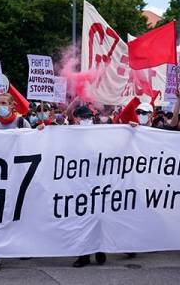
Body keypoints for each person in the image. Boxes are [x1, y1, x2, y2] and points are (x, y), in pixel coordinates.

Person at [0, 93, 32, 272]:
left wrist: (42, 130)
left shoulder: (22, 123)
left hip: (19, 174)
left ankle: (22, 244)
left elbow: (33, 143)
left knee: (20, 210)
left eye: (4, 103)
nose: (0, 106)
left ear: (12, 106)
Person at [71, 104, 107, 268]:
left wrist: (132, 127)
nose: (87, 120)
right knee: (81, 218)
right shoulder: (68, 134)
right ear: (76, 119)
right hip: (77, 182)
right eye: (83, 117)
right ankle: (83, 255)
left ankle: (99, 248)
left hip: (97, 183)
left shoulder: (101, 134)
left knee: (98, 217)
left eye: (89, 117)